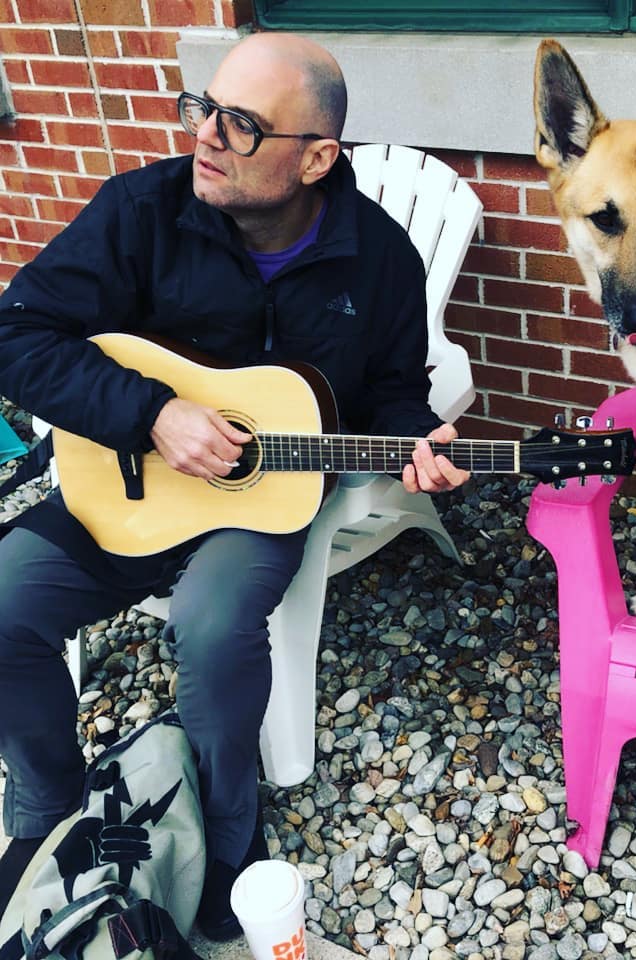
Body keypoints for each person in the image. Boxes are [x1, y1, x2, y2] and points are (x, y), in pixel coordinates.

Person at [0, 33, 469, 938]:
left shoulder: (379, 262)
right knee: (5, 599)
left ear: (316, 158)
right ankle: (47, 807)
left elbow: (394, 399)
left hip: (262, 504)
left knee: (212, 625)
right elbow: (19, 336)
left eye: (242, 124)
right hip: (124, 483)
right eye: (203, 108)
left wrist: (422, 444)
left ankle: (226, 834)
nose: (206, 136)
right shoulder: (141, 211)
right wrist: (150, 414)